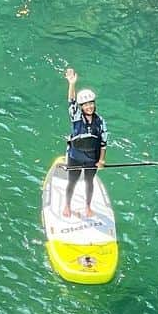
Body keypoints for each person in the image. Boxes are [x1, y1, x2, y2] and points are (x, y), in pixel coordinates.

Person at [62, 67, 107, 218]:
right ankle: (67, 205)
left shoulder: (100, 121)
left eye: (91, 103)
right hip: (75, 156)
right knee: (72, 181)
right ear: (81, 107)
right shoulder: (75, 116)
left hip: (91, 158)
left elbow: (103, 143)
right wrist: (72, 84)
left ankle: (87, 207)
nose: (89, 106)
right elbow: (71, 101)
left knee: (89, 182)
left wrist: (101, 160)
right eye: (86, 104)